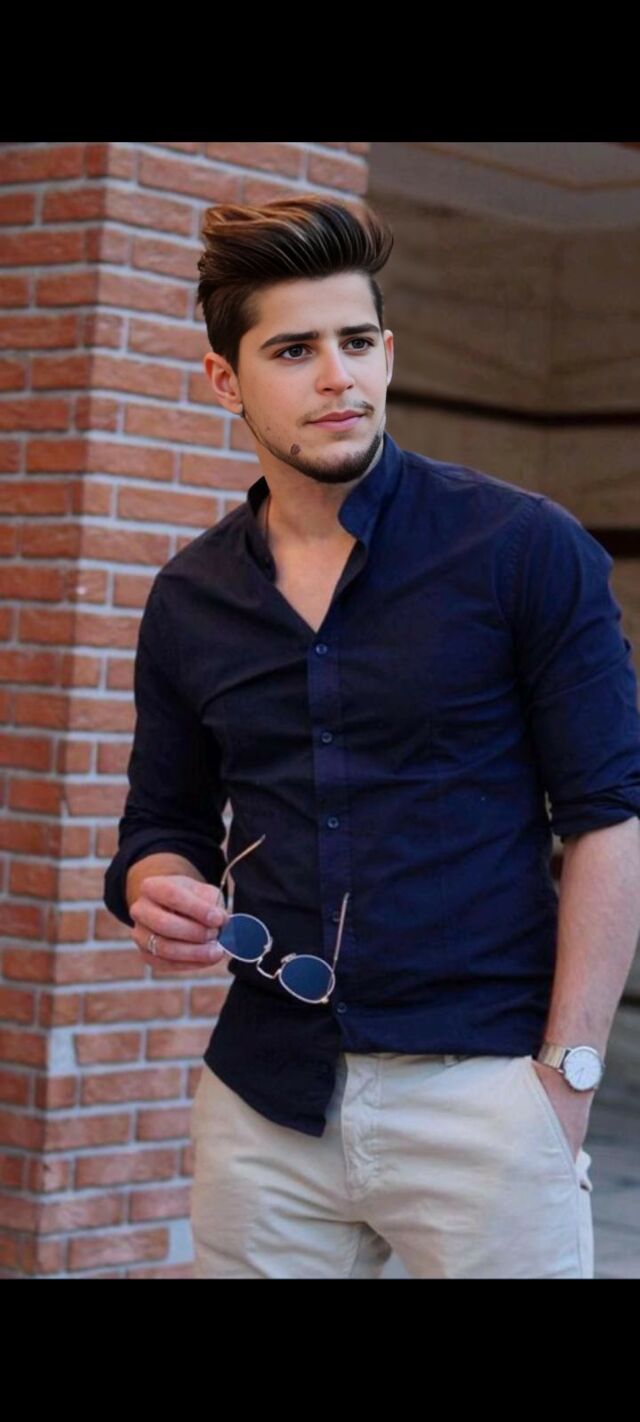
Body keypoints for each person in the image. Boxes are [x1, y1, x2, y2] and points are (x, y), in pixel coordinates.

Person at [103, 194, 640, 1279]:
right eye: (293, 350)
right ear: (224, 381)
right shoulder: (190, 598)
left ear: (388, 355)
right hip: (265, 1108)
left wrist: (566, 1082)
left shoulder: (525, 550)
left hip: (486, 1100)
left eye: (355, 342)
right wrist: (158, 888)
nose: (336, 377)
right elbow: (161, 827)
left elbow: (608, 817)